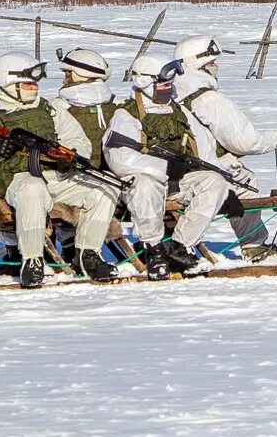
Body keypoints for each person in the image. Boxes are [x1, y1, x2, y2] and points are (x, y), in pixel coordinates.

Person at [0, 52, 119, 288]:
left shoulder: (48, 109)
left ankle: (87, 254)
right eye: (28, 82)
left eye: (35, 82)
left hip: (56, 176)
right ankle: (32, 260)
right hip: (15, 180)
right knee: (32, 188)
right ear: (10, 83)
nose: (34, 87)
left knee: (105, 189)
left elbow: (78, 140)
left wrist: (69, 156)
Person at [104, 53, 245, 280]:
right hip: (140, 183)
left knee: (214, 182)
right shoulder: (126, 114)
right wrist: (166, 168)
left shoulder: (180, 111)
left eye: (169, 83)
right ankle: (154, 250)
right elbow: (120, 160)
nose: (167, 88)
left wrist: (227, 190)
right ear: (144, 82)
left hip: (180, 180)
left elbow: (205, 152)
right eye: (162, 83)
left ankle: (181, 247)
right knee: (145, 185)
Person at [172, 35, 277, 262]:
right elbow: (246, 142)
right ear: (199, 64)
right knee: (247, 184)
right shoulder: (209, 99)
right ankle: (253, 245)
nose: (216, 67)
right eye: (212, 62)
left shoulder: (171, 91)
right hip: (197, 174)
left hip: (173, 171)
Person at [50, 47, 122, 260]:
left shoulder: (58, 107)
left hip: (77, 179)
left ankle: (70, 242)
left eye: (67, 74)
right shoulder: (118, 105)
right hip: (117, 177)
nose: (64, 80)